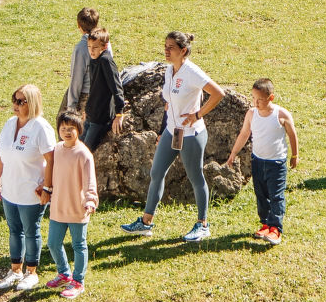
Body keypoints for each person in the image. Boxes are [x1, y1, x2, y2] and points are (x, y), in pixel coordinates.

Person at [120, 31, 223, 242]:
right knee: (157, 172)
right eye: (165, 46)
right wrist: (162, 129)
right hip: (171, 131)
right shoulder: (169, 70)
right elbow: (170, 102)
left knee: (195, 177)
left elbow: (218, 93)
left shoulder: (192, 72)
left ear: (183, 51)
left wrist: (198, 114)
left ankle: (203, 224)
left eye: (171, 48)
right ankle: (146, 222)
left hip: (191, 134)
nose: (166, 51)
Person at [0, 84, 56, 290]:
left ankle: (31, 272)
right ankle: (15, 270)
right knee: (14, 230)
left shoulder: (41, 128)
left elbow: (51, 159)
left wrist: (47, 188)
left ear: (33, 103)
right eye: (14, 99)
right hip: (10, 189)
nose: (16, 104)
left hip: (31, 192)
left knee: (31, 231)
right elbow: (2, 154)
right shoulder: (9, 124)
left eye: (21, 101)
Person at [225, 78, 298, 245]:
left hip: (276, 163)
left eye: (260, 99)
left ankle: (275, 228)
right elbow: (244, 134)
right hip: (258, 161)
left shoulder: (281, 114)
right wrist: (233, 153)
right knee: (261, 194)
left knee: (276, 195)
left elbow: (292, 134)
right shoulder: (251, 114)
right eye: (253, 98)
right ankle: (265, 224)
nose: (256, 102)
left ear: (271, 97)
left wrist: (295, 155)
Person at [38, 110, 97, 297]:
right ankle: (64, 273)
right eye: (63, 128)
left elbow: (90, 181)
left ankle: (78, 281)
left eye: (71, 128)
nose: (67, 132)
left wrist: (90, 200)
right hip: (58, 206)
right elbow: (50, 172)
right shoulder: (57, 149)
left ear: (79, 129)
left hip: (77, 208)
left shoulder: (84, 154)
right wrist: (45, 188)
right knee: (53, 243)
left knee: (79, 245)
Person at [80, 27, 127, 149]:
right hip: (91, 114)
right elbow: (93, 88)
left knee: (86, 150)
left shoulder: (106, 61)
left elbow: (116, 87)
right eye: (89, 46)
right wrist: (87, 109)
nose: (91, 50)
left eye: (95, 47)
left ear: (104, 46)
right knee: (77, 147)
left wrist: (119, 114)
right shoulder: (93, 60)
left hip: (100, 118)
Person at [65, 7, 100, 114]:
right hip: (101, 93)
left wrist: (71, 107)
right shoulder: (105, 43)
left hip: (85, 95)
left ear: (78, 25)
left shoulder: (81, 48)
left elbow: (76, 79)